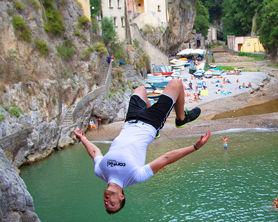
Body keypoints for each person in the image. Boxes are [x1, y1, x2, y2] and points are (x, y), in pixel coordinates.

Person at [74, 78, 210, 214]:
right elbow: (166, 158)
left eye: (106, 204)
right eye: (112, 204)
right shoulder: (135, 176)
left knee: (140, 90)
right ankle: (182, 118)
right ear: (122, 196)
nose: (107, 202)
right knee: (176, 83)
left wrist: (83, 139)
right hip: (152, 122)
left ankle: (152, 114)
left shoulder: (101, 171)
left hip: (131, 119)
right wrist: (195, 147)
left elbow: (94, 152)